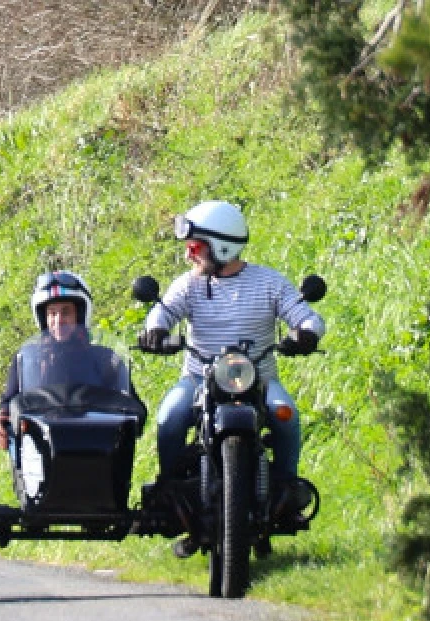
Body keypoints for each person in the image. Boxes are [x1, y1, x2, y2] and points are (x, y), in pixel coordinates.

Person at [138, 200, 325, 555]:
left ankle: (287, 491)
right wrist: (155, 332)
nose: (190, 255)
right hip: (198, 380)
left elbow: (307, 317)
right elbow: (162, 314)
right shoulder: (188, 285)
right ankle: (172, 493)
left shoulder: (269, 283)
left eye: (196, 247)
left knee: (286, 414)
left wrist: (306, 334)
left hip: (260, 381)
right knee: (169, 417)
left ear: (222, 246)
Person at [0, 270, 141, 450]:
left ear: (79, 314)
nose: (58, 320)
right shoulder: (28, 359)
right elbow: (8, 402)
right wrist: (2, 422)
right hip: (40, 452)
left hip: (96, 450)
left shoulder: (106, 358)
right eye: (52, 313)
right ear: (43, 318)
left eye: (66, 312)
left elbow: (134, 408)